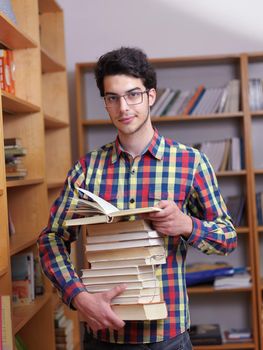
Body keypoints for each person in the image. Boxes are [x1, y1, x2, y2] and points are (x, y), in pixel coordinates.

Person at [38, 46, 237, 350]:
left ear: (151, 96)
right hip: (104, 337)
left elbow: (227, 238)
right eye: (112, 98)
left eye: (133, 95)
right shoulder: (86, 169)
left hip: (168, 337)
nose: (124, 108)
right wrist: (79, 297)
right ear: (105, 103)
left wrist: (186, 224)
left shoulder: (191, 163)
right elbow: (51, 239)